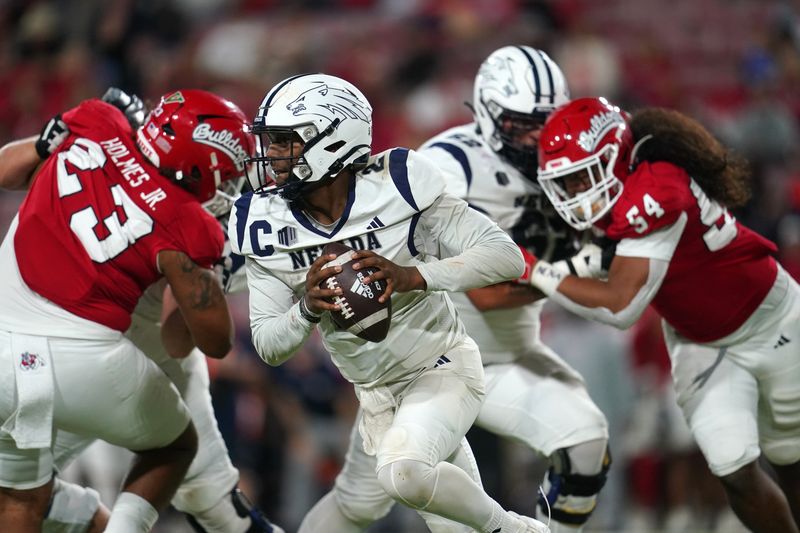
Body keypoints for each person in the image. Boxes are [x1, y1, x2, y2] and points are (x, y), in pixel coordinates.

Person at [301, 46, 612, 533]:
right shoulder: (450, 164)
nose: (534, 137)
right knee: (373, 499)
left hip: (511, 353)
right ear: (488, 114)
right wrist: (576, 271)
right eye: (518, 124)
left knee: (587, 444)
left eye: (544, 123)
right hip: (431, 357)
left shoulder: (570, 155)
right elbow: (487, 287)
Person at [230, 72, 549, 533]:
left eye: (284, 142)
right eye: (271, 142)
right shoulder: (264, 221)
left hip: (439, 367)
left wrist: (413, 276)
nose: (272, 156)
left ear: (333, 140)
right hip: (376, 397)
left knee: (404, 472)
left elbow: (505, 256)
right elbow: (269, 344)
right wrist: (307, 309)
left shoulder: (398, 183)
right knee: (377, 504)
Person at [529, 96, 800, 533]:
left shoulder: (658, 186)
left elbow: (620, 304)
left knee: (791, 458)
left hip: (771, 319)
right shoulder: (619, 194)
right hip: (699, 339)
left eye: (582, 177)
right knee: (732, 467)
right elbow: (599, 264)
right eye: (568, 183)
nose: (577, 194)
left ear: (615, 156)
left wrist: (533, 269)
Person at [0, 88, 251, 532]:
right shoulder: (187, 220)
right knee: (175, 446)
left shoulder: (96, 121)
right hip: (81, 362)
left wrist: (45, 142)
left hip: (2, 348)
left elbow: (6, 171)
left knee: (20, 498)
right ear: (197, 165)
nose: (228, 187)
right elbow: (215, 342)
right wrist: (216, 273)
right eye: (226, 175)